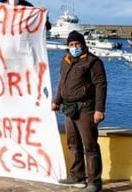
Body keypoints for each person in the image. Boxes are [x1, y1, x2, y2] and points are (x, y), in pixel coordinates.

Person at [52, 31, 107, 192]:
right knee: (73, 143)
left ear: (83, 44)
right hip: (69, 108)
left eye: (77, 44)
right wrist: (57, 101)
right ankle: (77, 177)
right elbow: (62, 83)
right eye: (71, 45)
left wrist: (99, 109)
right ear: (67, 46)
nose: (74, 47)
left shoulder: (93, 62)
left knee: (90, 145)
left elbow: (101, 85)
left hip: (86, 109)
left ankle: (94, 182)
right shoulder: (65, 60)